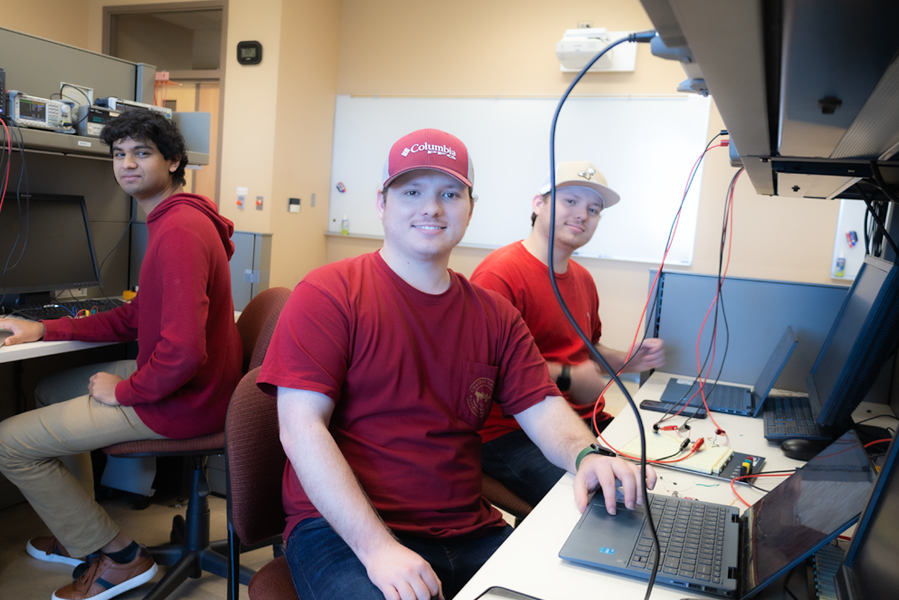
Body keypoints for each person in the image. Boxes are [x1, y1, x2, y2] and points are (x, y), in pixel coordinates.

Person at [258, 130, 656, 600]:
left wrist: (586, 455)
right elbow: (301, 429)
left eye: (450, 194)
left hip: (468, 528)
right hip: (346, 531)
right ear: (381, 203)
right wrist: (378, 548)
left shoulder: (494, 316)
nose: (432, 208)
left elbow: (543, 407)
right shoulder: (328, 294)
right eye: (412, 192)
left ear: (470, 208)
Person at [0, 109, 242, 600]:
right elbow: (136, 316)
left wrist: (124, 392)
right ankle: (80, 529)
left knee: (6, 444)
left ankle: (119, 557)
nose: (127, 165)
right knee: (50, 389)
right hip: (198, 386)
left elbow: (184, 352)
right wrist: (45, 328)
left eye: (142, 153)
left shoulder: (179, 232)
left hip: (186, 400)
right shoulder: (175, 218)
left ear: (173, 160)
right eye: (119, 154)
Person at [470, 161, 665, 509]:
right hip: (515, 432)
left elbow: (587, 351)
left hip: (586, 420)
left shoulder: (583, 279)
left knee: (657, 476)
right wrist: (567, 377)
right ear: (539, 204)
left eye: (593, 210)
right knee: (607, 502)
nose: (582, 215)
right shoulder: (499, 274)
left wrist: (627, 359)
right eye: (570, 201)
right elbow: (487, 371)